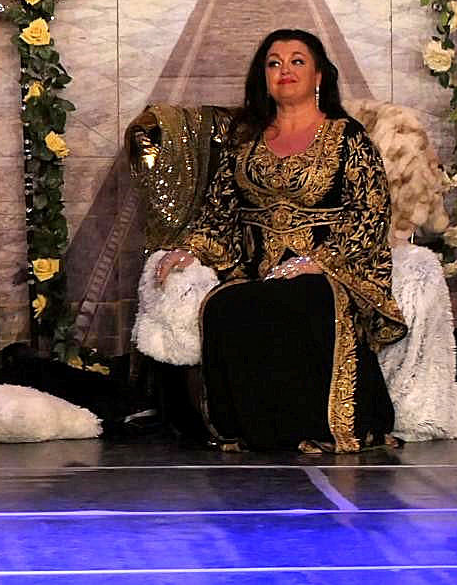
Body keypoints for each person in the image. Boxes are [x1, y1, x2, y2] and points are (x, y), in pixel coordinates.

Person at [153, 29, 406, 452]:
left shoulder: (348, 138)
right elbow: (219, 212)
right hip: (258, 268)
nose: (284, 70)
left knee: (307, 296)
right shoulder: (245, 142)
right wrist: (191, 248)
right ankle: (255, 431)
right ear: (264, 78)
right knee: (226, 305)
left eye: (297, 61)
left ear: (319, 75)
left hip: (331, 271)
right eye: (274, 63)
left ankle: (330, 424)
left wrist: (319, 261)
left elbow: (371, 214)